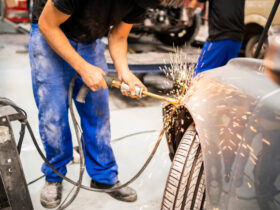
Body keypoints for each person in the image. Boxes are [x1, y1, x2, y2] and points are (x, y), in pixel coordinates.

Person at [29, 0, 184, 208]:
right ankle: (55, 174)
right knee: (53, 115)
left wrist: (125, 73)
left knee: (98, 112)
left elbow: (118, 36)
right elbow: (47, 25)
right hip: (50, 32)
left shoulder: (143, 2)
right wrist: (83, 67)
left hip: (89, 39)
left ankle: (103, 176)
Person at [187, 0, 245, 74]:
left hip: (219, 36)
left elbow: (195, 3)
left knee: (201, 74)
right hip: (237, 38)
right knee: (223, 77)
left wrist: (186, 14)